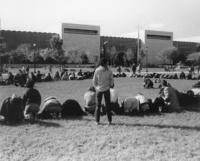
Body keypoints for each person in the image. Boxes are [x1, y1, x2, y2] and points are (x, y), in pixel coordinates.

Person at [93, 57, 114, 125]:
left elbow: (111, 79)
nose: (108, 63)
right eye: (107, 62)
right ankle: (103, 121)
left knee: (103, 106)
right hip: (103, 89)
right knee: (103, 106)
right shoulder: (102, 70)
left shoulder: (107, 70)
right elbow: (94, 80)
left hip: (103, 89)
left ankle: (103, 121)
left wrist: (96, 87)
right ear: (104, 63)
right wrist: (96, 88)